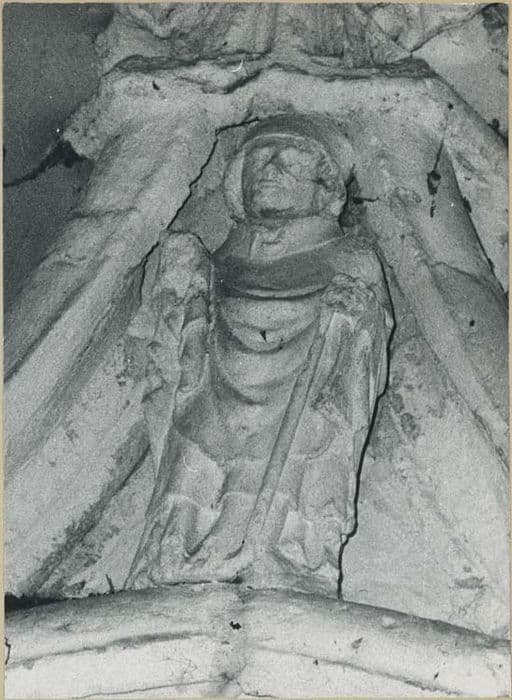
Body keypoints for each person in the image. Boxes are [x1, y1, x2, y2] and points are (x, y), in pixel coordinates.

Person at [126, 115, 393, 595]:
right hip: (213, 392)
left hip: (301, 397)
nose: (269, 170)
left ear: (325, 189)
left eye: (289, 161)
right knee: (197, 431)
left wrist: (355, 317)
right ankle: (176, 543)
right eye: (259, 161)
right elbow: (164, 359)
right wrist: (182, 299)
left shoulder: (350, 259)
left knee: (309, 436)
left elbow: (363, 354)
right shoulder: (215, 265)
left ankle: (284, 548)